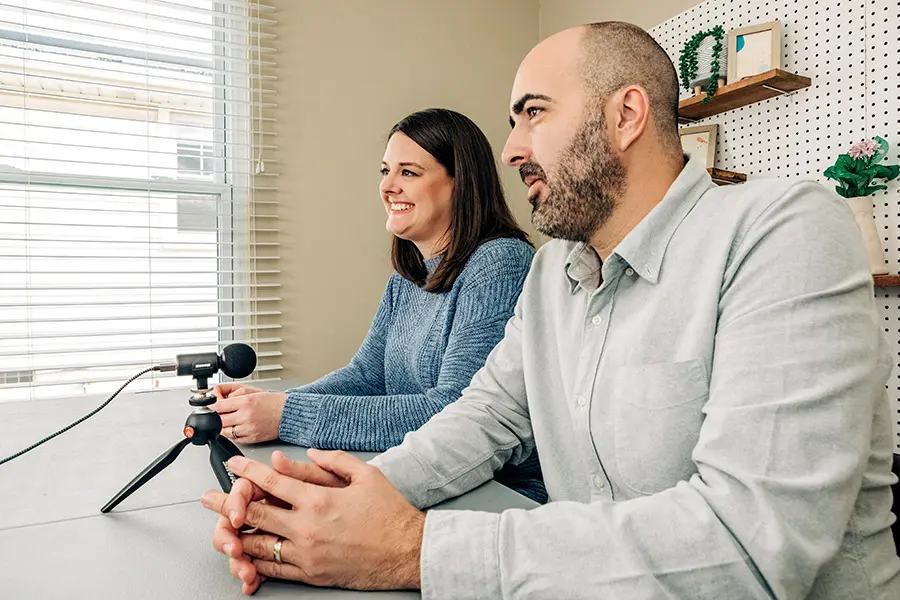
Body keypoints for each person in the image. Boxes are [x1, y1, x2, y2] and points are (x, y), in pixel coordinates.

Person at [201, 22, 900, 598]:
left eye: (534, 113)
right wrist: (323, 500)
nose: (510, 149)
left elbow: (753, 544)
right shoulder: (550, 275)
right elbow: (483, 419)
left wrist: (416, 549)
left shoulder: (785, 232)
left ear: (625, 115)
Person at [211, 108, 546, 503]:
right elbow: (367, 376)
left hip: (498, 494)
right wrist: (272, 405)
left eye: (408, 172)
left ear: (460, 183)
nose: (388, 186)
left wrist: (285, 415)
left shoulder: (500, 263)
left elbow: (456, 413)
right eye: (385, 171)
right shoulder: (406, 279)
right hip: (417, 478)